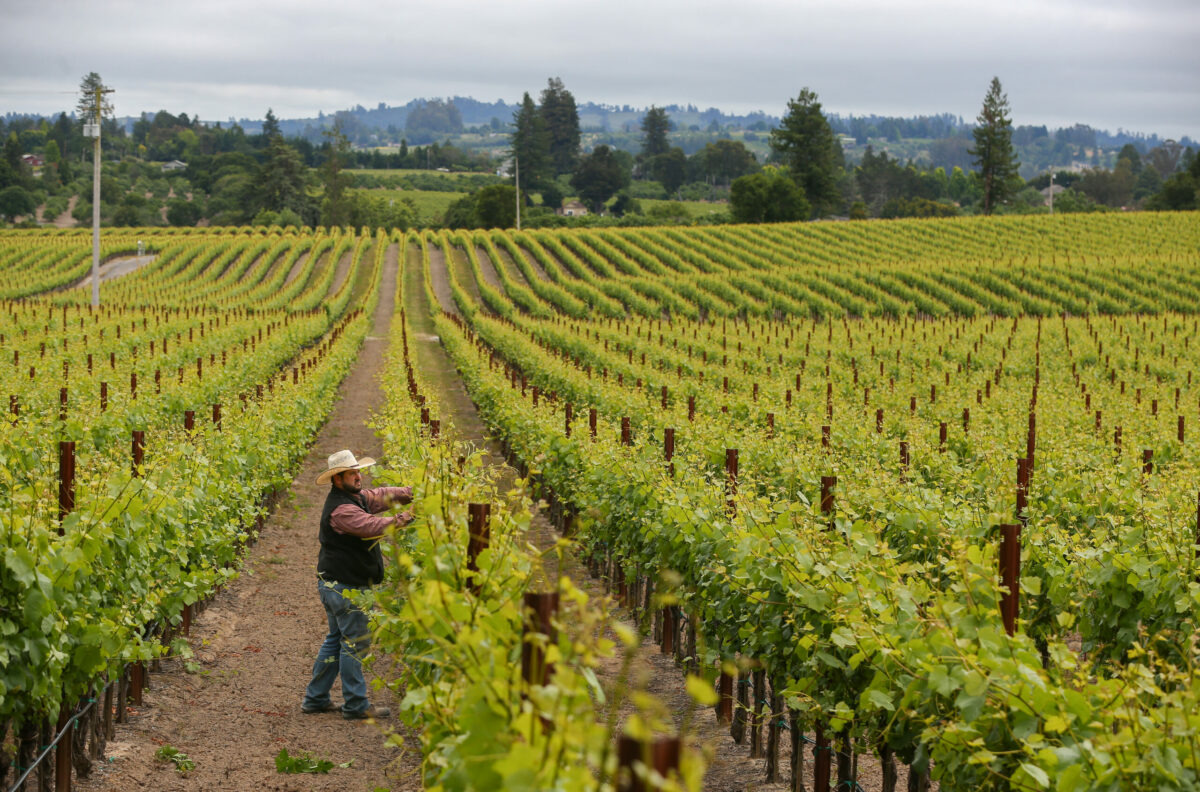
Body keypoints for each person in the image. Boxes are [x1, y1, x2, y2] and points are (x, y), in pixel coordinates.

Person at [302, 449, 413, 720]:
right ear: (337, 479)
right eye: (351, 473)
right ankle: (356, 704)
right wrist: (407, 518)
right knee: (355, 644)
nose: (358, 476)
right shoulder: (342, 510)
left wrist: (413, 492)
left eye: (357, 471)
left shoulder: (356, 497)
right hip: (345, 588)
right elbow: (371, 526)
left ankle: (315, 699)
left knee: (336, 640)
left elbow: (380, 495)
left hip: (335, 584)